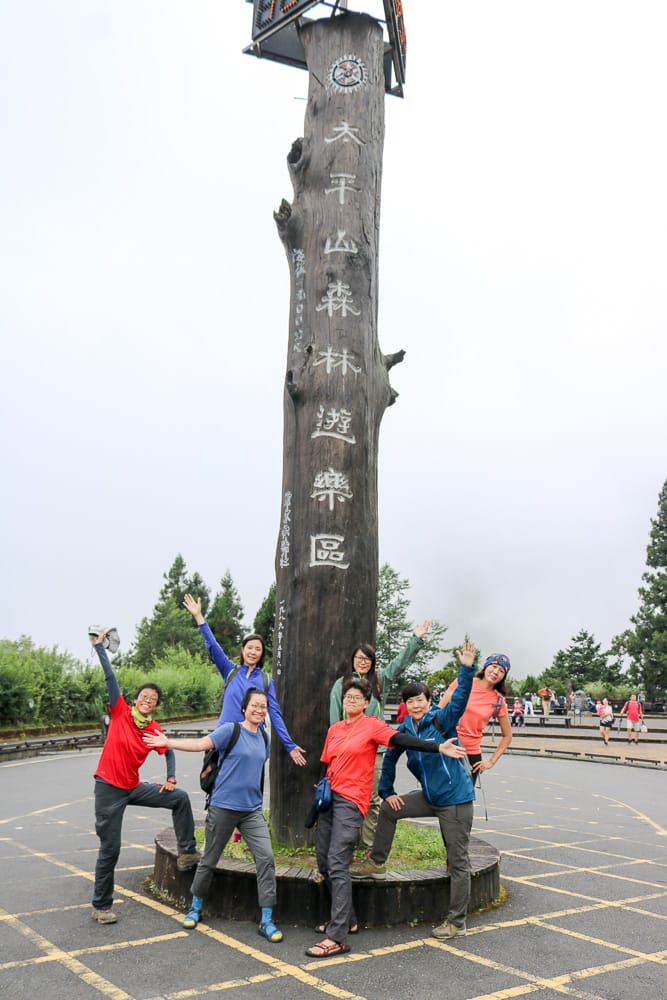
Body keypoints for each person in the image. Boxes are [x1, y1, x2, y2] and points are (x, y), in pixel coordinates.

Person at [306, 676, 464, 958]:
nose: (351, 701)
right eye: (348, 697)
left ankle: (338, 935)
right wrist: (317, 804)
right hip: (328, 801)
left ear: (367, 703)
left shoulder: (372, 726)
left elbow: (401, 740)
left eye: (357, 698)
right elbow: (324, 766)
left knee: (338, 861)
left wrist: (437, 746)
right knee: (323, 862)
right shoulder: (335, 730)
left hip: (351, 802)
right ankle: (348, 919)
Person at [352, 640, 476, 941]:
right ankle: (377, 863)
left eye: (420, 700)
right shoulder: (405, 729)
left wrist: (467, 669)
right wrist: (387, 790)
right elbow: (391, 757)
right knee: (389, 811)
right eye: (411, 701)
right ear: (405, 705)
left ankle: (456, 922)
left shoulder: (441, 722)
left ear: (429, 701)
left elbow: (459, 701)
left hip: (456, 800)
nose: (416, 705)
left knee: (458, 861)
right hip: (430, 797)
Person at [144, 687, 283, 943]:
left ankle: (266, 919)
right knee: (209, 859)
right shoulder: (231, 730)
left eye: (263, 706)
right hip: (223, 806)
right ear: (244, 708)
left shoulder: (265, 738)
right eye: (255, 705)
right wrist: (168, 742)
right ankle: (195, 906)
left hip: (251, 811)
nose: (259, 710)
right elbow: (200, 744)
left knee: (266, 859)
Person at [90, 630, 199, 925]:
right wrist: (101, 649)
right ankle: (101, 905)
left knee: (180, 799)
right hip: (109, 788)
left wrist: (171, 777)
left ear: (156, 705)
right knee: (110, 848)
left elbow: (168, 750)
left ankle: (187, 852)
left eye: (153, 699)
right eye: (144, 696)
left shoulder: (153, 729)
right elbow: (111, 679)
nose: (148, 700)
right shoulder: (120, 712)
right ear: (136, 699)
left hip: (132, 787)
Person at [329, 621, 431, 849]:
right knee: (346, 797)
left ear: (372, 662)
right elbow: (334, 719)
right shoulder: (341, 685)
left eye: (367, 659)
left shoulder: (379, 681)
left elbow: (400, 662)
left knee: (373, 799)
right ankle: (346, 842)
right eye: (359, 658)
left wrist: (416, 639)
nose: (363, 662)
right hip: (348, 752)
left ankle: (367, 845)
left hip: (375, 750)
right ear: (352, 660)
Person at [183, 593, 305, 767]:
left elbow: (275, 714)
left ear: (262, 654)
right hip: (225, 737)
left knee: (249, 784)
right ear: (242, 650)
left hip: (252, 741)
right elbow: (213, 645)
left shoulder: (266, 681)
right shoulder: (230, 670)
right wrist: (198, 617)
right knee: (219, 783)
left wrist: (289, 745)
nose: (253, 652)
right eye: (250, 647)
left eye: (258, 649)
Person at [440, 653, 512, 775]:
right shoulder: (463, 682)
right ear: (485, 666)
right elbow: (438, 711)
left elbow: (508, 735)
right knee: (435, 792)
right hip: (447, 747)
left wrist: (491, 762)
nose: (496, 672)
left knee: (464, 794)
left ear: (503, 677)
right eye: (494, 666)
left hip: (471, 755)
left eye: (501, 671)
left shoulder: (498, 700)